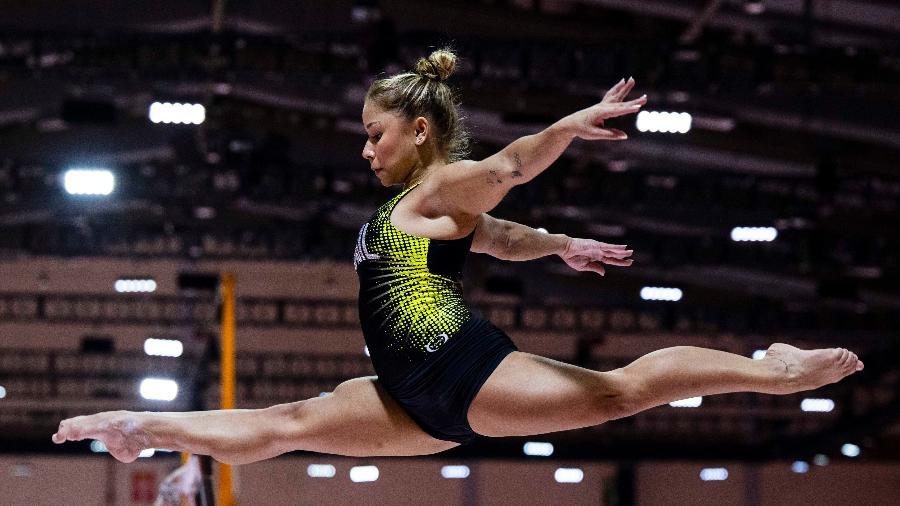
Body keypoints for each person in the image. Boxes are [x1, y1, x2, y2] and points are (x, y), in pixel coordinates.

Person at [53, 49, 863, 464]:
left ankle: (773, 369)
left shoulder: (440, 185)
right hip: (412, 398)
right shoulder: (418, 210)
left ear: (419, 131)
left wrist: (566, 127)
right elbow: (501, 237)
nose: (365, 149)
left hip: (454, 366)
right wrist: (561, 245)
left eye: (375, 133)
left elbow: (509, 169)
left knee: (616, 394)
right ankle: (138, 426)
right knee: (282, 427)